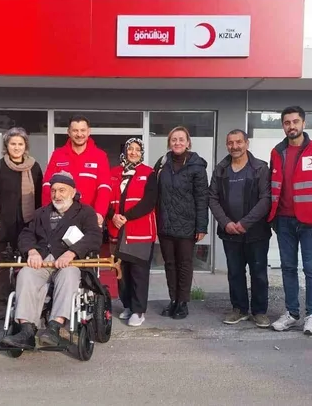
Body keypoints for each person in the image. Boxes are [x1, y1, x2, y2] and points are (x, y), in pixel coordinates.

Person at [0, 172, 103, 349]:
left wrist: (72, 253)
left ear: (73, 192)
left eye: (62, 190)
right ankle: (26, 331)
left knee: (69, 275)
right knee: (25, 274)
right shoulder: (41, 213)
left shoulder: (85, 212)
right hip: (42, 261)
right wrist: (31, 251)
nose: (57, 195)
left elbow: (94, 236)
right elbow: (26, 234)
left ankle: (54, 327)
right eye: (54, 190)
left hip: (70, 262)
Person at [268, 106, 312, 336]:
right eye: (287, 123)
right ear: (283, 126)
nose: (291, 126)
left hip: (310, 223)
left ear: (303, 123)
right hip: (283, 221)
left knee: (311, 269)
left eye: (295, 121)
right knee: (288, 268)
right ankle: (292, 313)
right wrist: (273, 219)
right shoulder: (277, 152)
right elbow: (273, 185)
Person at [209, 129, 272, 328]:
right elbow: (212, 198)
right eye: (230, 143)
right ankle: (239, 309)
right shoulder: (220, 169)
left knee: (258, 273)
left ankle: (259, 312)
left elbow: (266, 199)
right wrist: (225, 222)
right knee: (235, 273)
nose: (234, 146)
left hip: (257, 232)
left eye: (239, 142)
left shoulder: (260, 168)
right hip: (230, 233)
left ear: (247, 143)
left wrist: (245, 223)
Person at [0, 127, 43, 320]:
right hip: (3, 227)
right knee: (3, 269)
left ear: (25, 146)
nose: (16, 147)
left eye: (20, 144)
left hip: (27, 228)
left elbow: (39, 200)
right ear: (6, 145)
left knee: (25, 269)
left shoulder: (34, 167)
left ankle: (23, 306)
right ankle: (3, 309)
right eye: (13, 144)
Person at [154, 126, 209, 320]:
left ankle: (183, 302)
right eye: (174, 139)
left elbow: (202, 198)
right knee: (170, 264)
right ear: (169, 143)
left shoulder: (197, 166)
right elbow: (154, 191)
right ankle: (173, 299)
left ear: (188, 143)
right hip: (165, 223)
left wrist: (202, 226)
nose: (177, 143)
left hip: (187, 224)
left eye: (181, 139)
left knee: (184, 264)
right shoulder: (162, 163)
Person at [108, 138, 158, 327]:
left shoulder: (149, 173)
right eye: (130, 149)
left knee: (138, 272)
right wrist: (112, 216)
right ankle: (128, 305)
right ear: (125, 151)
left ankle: (138, 311)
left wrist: (126, 217)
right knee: (121, 272)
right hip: (117, 230)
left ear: (142, 153)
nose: (133, 152)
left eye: (137, 149)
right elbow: (106, 197)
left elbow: (149, 202)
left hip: (140, 231)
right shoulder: (113, 173)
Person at [41, 114, 111, 227]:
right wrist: (47, 211)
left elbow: (104, 187)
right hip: (61, 217)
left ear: (89, 131)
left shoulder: (100, 156)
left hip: (89, 218)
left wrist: (99, 213)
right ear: (68, 132)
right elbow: (47, 185)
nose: (79, 134)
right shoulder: (58, 154)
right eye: (75, 130)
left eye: (83, 130)